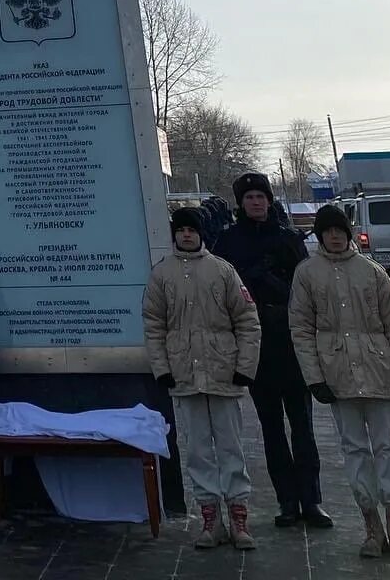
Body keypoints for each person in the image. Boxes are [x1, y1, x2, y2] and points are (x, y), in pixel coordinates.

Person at [289, 203, 390, 560]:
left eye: (339, 230)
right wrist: (315, 378)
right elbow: (300, 329)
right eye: (327, 230)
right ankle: (371, 527)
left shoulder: (372, 272)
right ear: (319, 234)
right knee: (355, 451)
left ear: (347, 233)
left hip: (379, 375)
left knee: (387, 449)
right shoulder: (307, 274)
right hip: (338, 377)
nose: (334, 236)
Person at [214, 172, 330, 529]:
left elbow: (305, 287)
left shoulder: (289, 238)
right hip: (256, 345)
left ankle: (311, 500)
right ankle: (287, 502)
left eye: (261, 197)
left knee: (303, 428)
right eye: (249, 197)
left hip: (291, 342)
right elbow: (223, 292)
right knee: (271, 430)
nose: (256, 203)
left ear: (269, 200)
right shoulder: (228, 242)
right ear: (241, 203)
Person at [143, 206, 261, 551]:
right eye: (180, 230)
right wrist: (162, 368)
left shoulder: (223, 271)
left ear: (201, 234)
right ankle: (210, 517)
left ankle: (239, 515)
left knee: (230, 446)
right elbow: (154, 325)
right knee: (197, 450)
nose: (186, 235)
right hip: (184, 374)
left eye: (191, 230)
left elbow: (247, 320)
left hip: (224, 372)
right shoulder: (161, 274)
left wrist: (245, 366)